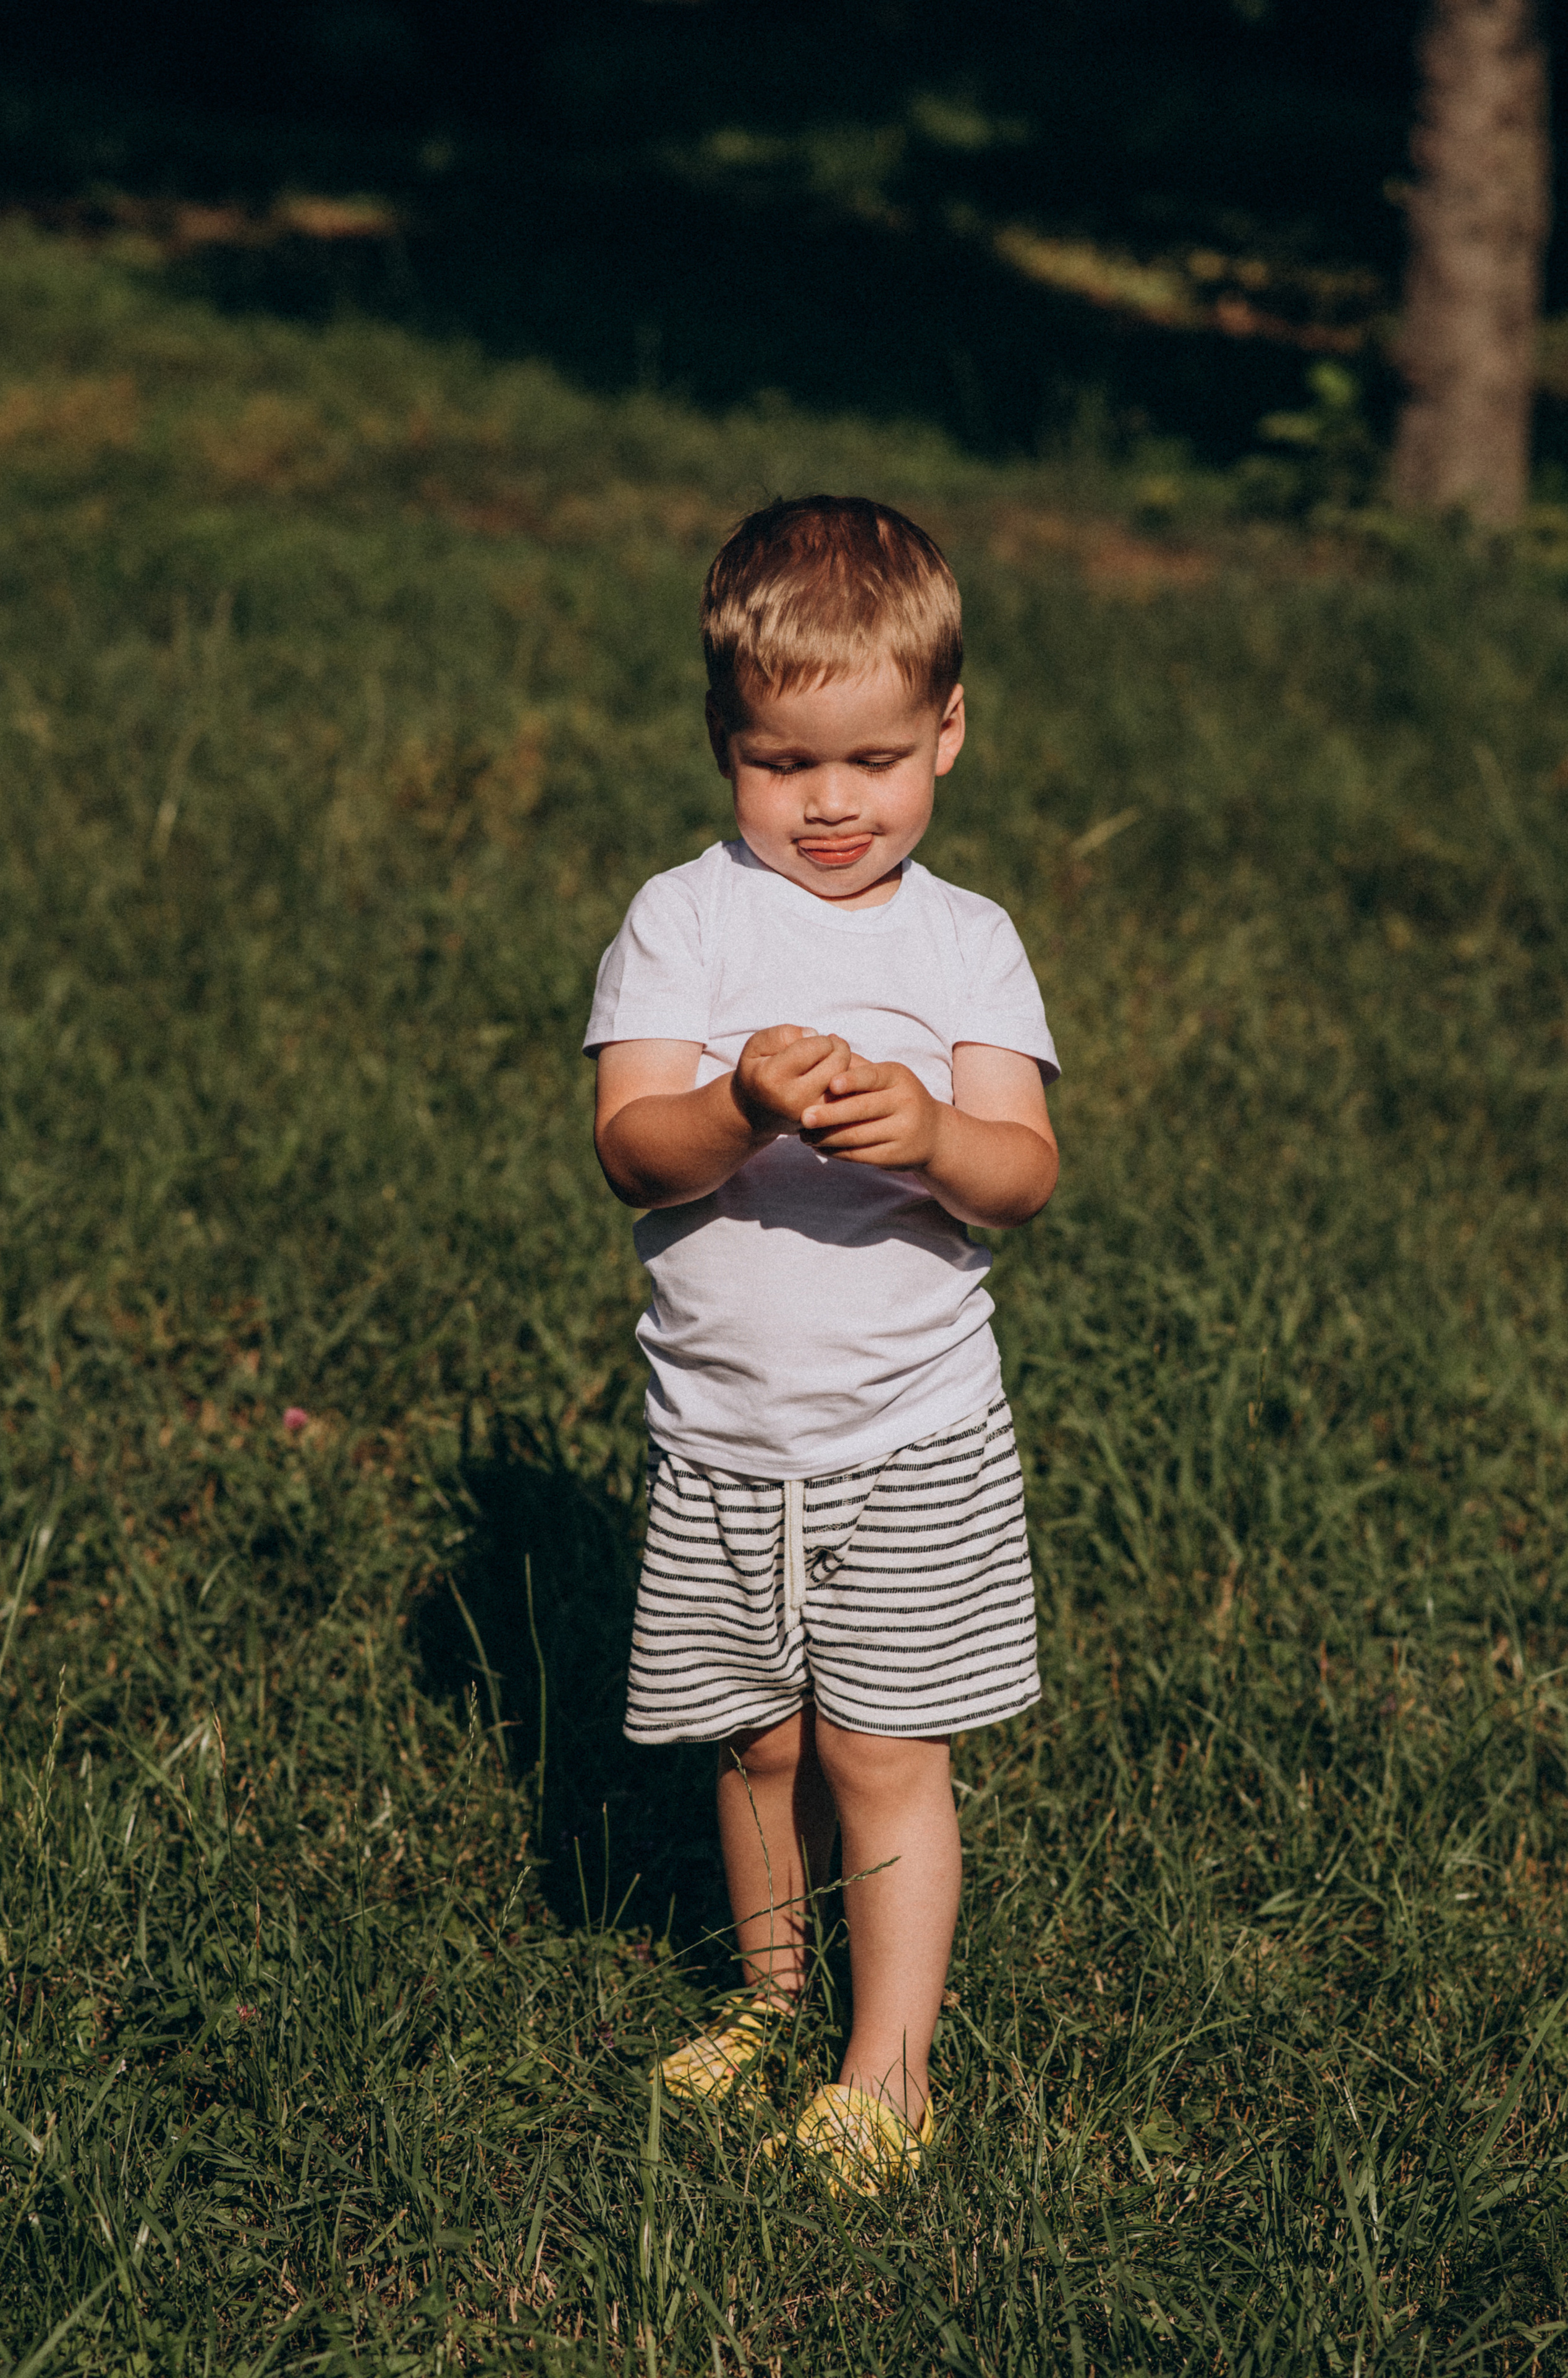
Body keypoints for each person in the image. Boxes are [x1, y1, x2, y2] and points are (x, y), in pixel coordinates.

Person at [584, 495, 1059, 2193]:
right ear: (727, 744)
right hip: (721, 1433)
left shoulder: (965, 945)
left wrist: (928, 1133)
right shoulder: (683, 920)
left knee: (878, 1747)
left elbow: (1023, 1172)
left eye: (871, 759)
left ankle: (893, 2065)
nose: (833, 805)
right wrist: (736, 1103)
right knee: (759, 1741)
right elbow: (631, 1146)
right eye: (785, 765)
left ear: (947, 731)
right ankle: (777, 2006)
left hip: (911, 1427)